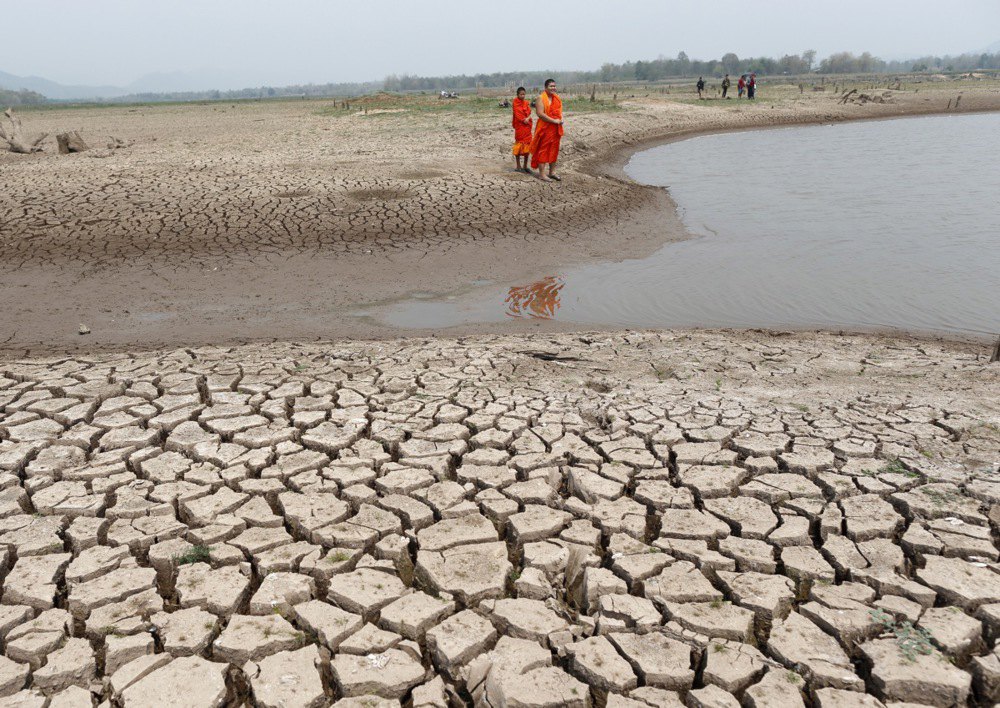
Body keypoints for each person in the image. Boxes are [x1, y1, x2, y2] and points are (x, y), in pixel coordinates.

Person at [530, 78, 564, 181]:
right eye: (551, 86)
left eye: (554, 86)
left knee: (554, 149)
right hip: (545, 128)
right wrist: (554, 121)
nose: (553, 88)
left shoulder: (557, 98)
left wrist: (561, 118)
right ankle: (542, 174)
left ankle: (552, 172)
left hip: (555, 129)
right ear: (545, 87)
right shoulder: (540, 98)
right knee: (543, 150)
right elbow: (540, 114)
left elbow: (559, 112)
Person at [511, 87, 533, 173]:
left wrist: (528, 118)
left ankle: (525, 166)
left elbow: (529, 112)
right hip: (520, 127)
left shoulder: (526, 103)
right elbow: (517, 114)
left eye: (524, 94)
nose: (523, 96)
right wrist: (524, 119)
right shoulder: (515, 103)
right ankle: (518, 166)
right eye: (521, 94)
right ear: (517, 94)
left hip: (527, 128)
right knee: (519, 145)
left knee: (527, 145)